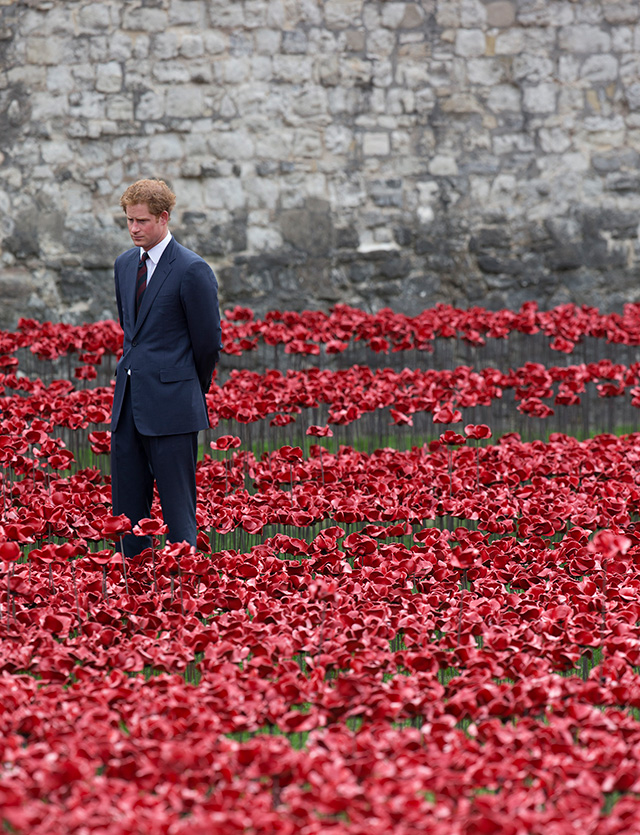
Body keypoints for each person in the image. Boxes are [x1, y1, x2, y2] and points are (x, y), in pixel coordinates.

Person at [110, 178, 222, 557]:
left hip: (173, 407)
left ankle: (184, 595)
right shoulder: (124, 265)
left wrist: (189, 388)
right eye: (128, 221)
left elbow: (207, 344)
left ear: (164, 217)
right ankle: (135, 592)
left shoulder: (192, 269)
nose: (134, 229)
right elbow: (132, 333)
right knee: (126, 512)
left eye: (141, 221)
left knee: (178, 511)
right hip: (127, 405)